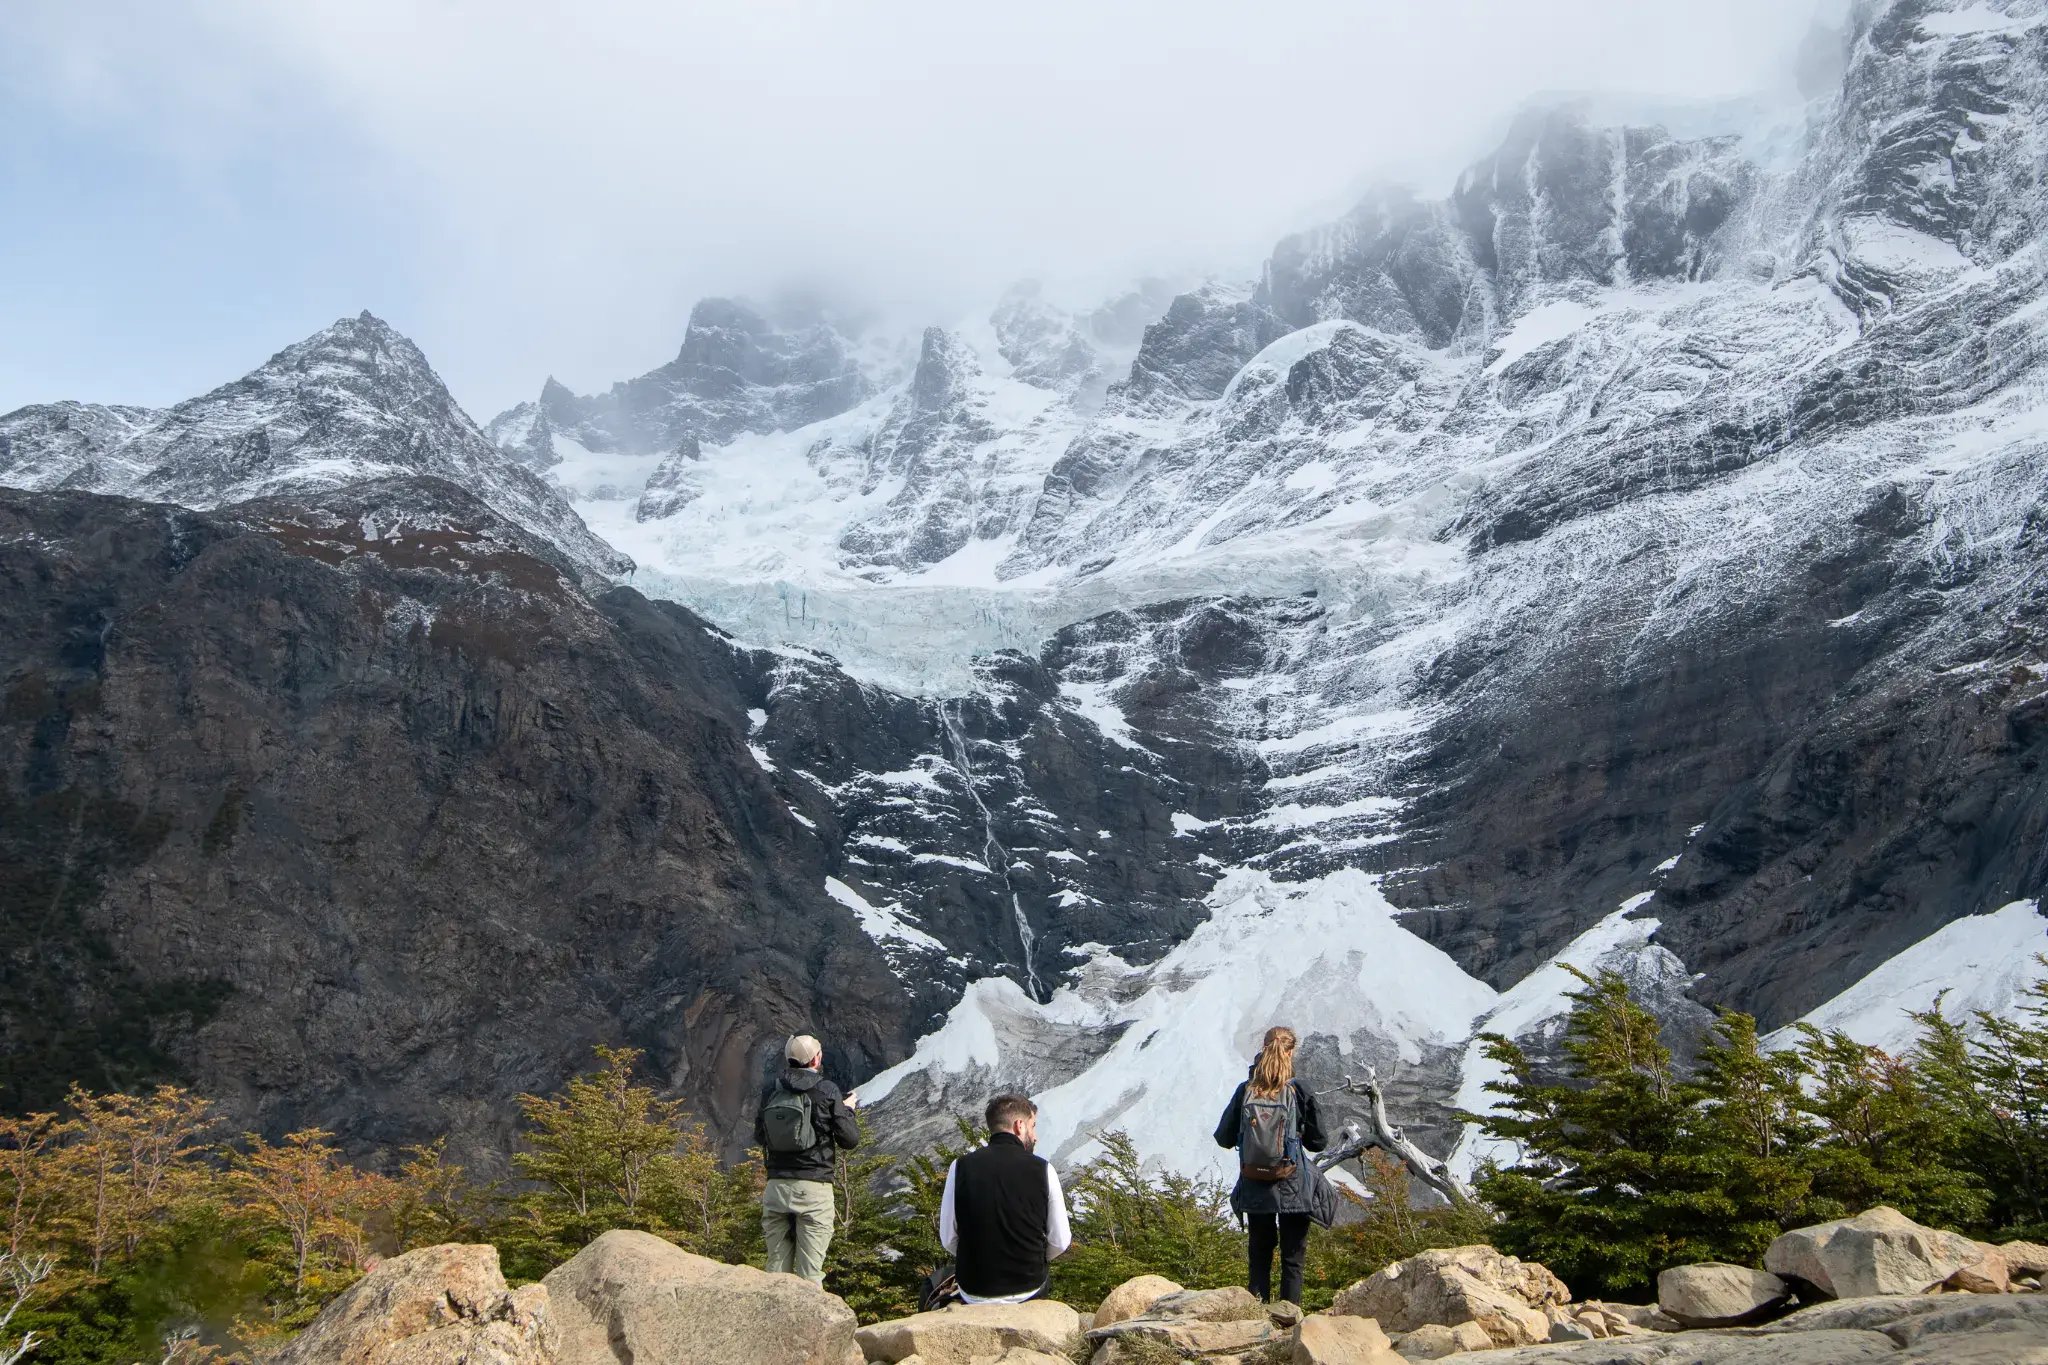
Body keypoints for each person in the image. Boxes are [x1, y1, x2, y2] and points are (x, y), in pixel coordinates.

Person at [1213, 1025, 1327, 1308]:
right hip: (1293, 1184)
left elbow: (1224, 1138)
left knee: (1260, 1256)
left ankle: (1256, 1319)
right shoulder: (1299, 1090)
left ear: (1262, 1048)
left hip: (1255, 1185)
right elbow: (1318, 1142)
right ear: (1291, 1052)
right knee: (1292, 1259)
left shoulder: (1246, 1090)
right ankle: (1289, 1324)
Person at [938, 1094, 1073, 1303]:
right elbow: (1060, 1241)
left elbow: (948, 1238)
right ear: (1020, 1126)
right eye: (1033, 1126)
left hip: (973, 1290)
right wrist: (1032, 1257)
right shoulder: (1044, 1169)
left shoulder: (959, 1167)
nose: (1035, 1136)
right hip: (1028, 1288)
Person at [755, 1033, 861, 1283]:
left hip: (776, 1187)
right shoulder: (826, 1090)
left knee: (775, 1272)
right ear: (816, 1059)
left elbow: (760, 1135)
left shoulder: (772, 1089)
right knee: (810, 1275)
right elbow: (850, 1139)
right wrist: (847, 1110)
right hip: (814, 1188)